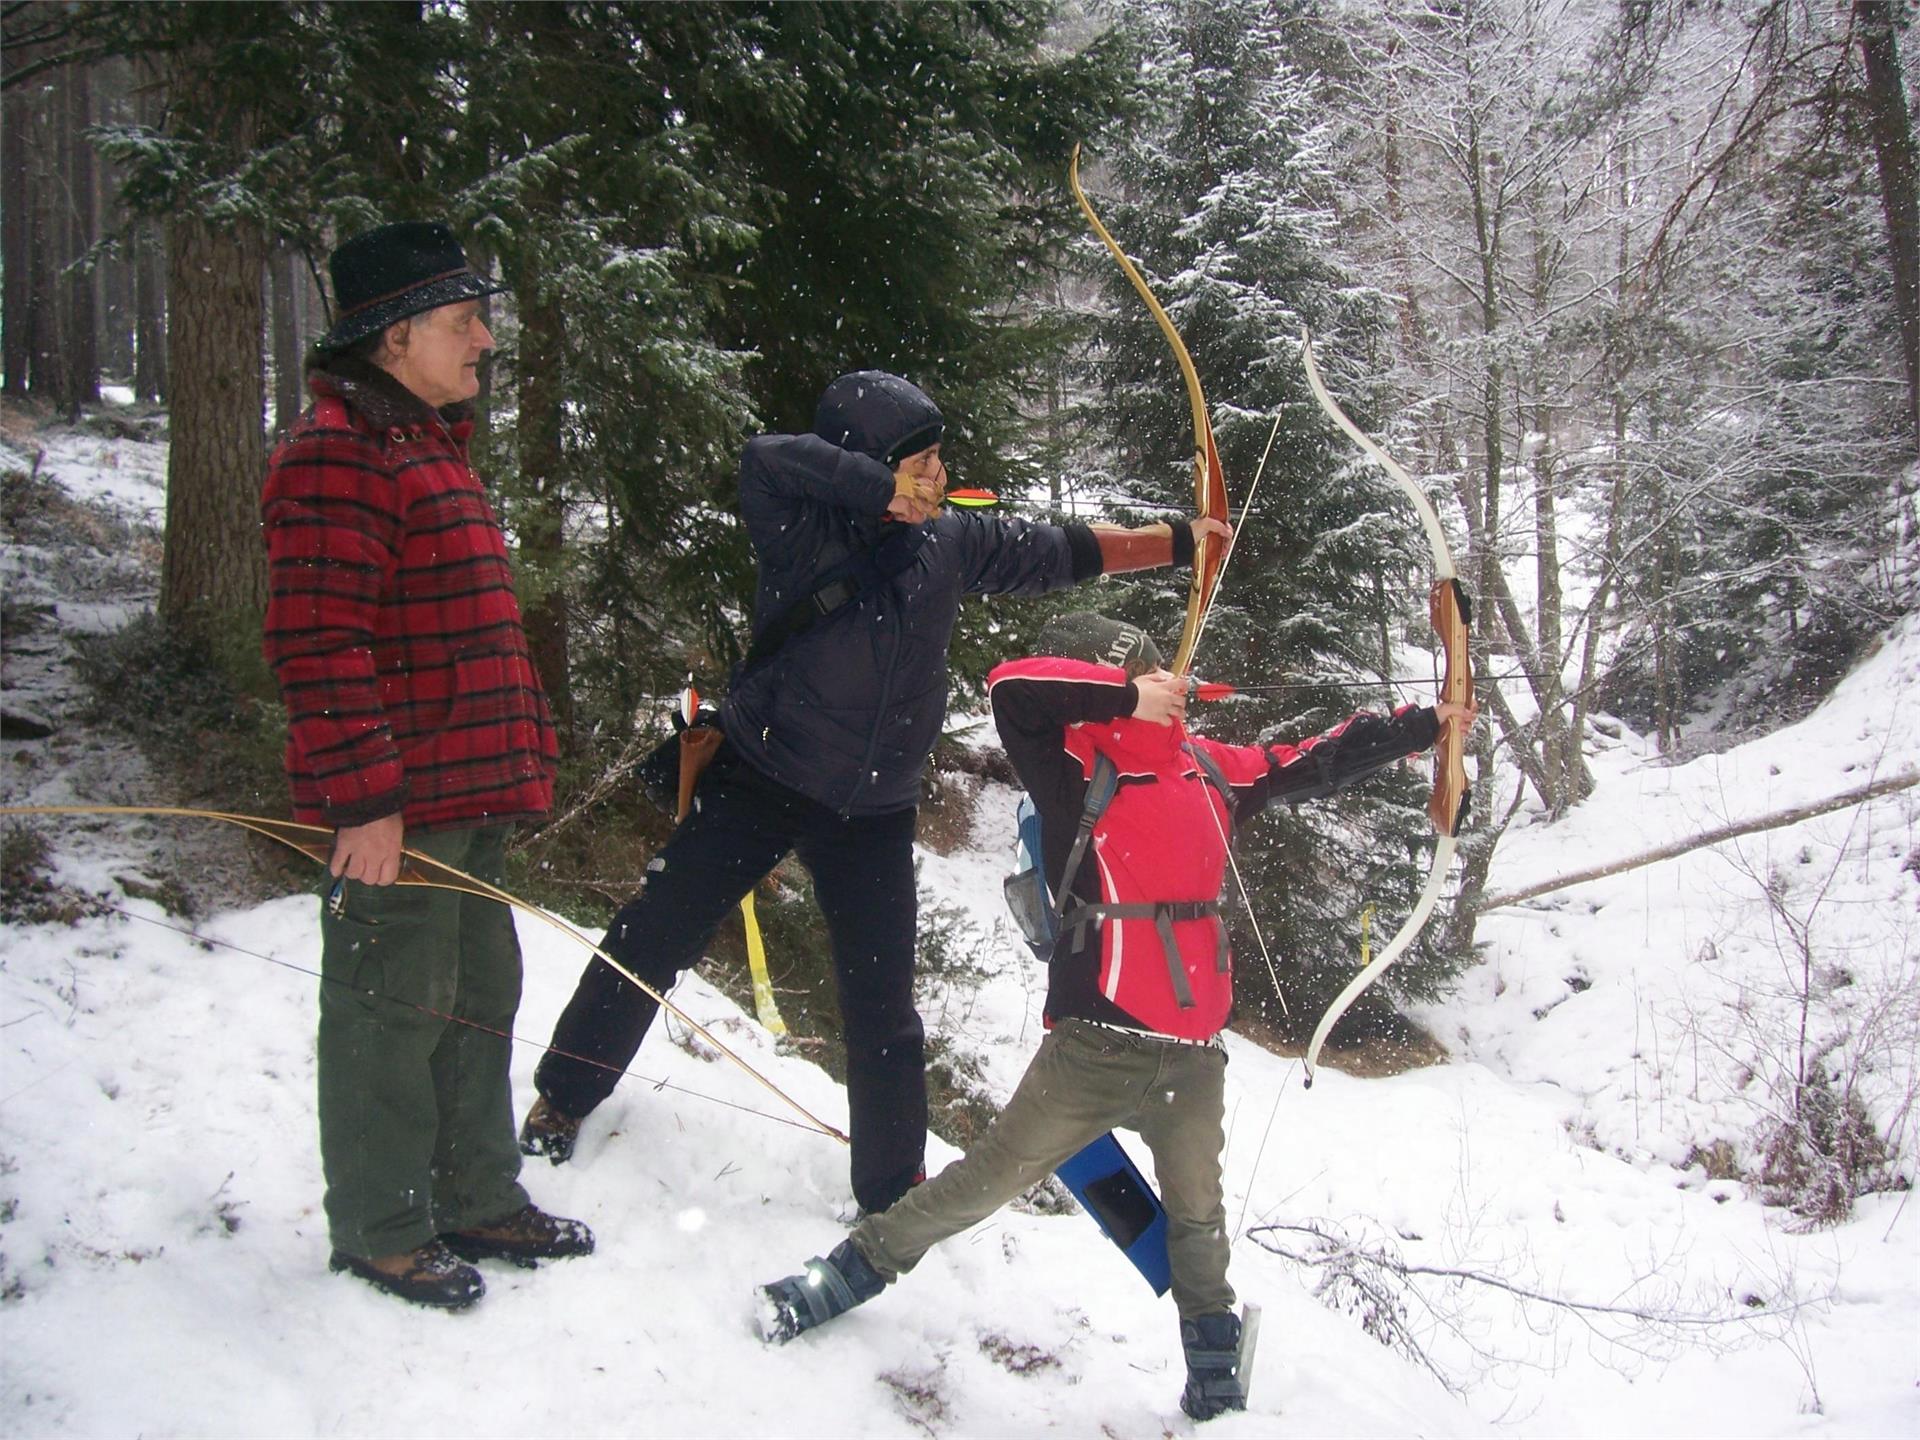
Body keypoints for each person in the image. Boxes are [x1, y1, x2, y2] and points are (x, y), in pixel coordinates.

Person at [520, 369, 1230, 1216]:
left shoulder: (948, 543)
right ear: (867, 463)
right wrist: (877, 491)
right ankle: (565, 1095)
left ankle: (891, 1194)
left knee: (884, 1010)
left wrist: (1181, 540)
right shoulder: (798, 524)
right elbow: (764, 456)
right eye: (920, 462)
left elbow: (1058, 550)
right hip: (764, 775)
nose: (937, 475)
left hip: (875, 810)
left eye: (937, 460)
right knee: (653, 935)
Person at [754, 612, 1476, 1422]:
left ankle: (1213, 1371)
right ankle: (841, 1277)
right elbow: (1013, 689)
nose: (1162, 689)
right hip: (1093, 1049)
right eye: (1136, 676)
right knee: (983, 1182)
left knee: (1199, 1218)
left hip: (1193, 1057)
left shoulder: (1211, 766)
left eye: (1150, 675)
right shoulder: (1071, 766)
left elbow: (1315, 760)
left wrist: (1425, 725)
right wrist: (1125, 697)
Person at [261, 220, 592, 1311]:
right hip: (398, 805)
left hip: (468, 793)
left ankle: (475, 1193)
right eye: (463, 321)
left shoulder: (422, 444)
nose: (484, 339)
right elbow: (320, 639)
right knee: (386, 1009)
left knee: (476, 997)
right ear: (395, 337)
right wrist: (362, 801)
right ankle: (384, 1226)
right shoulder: (336, 452)